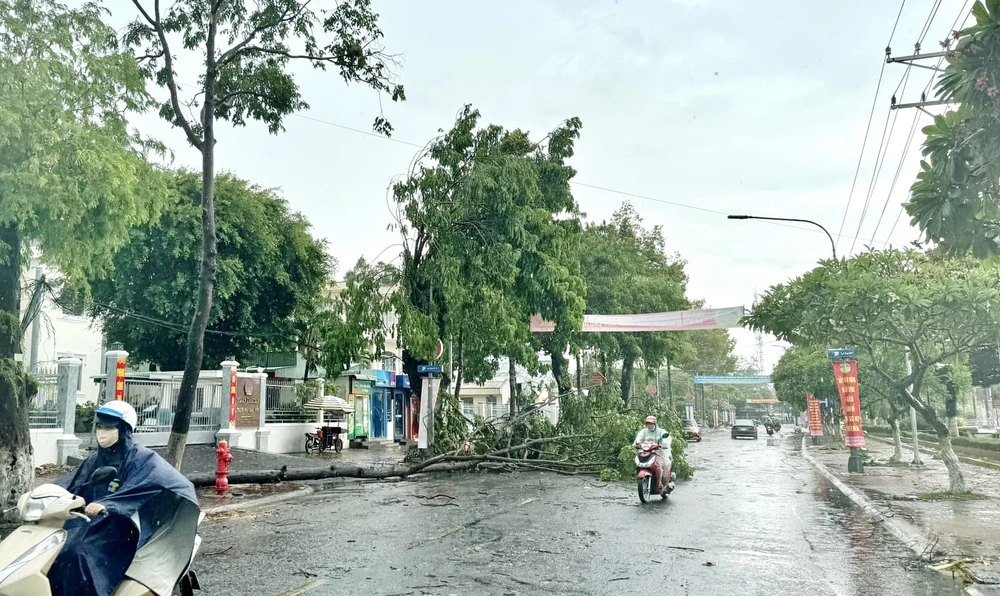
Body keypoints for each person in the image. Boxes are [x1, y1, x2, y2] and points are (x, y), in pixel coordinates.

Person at [49, 401, 199, 596]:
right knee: (58, 548)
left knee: (80, 554)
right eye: (100, 426)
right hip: (93, 522)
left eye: (109, 427)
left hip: (127, 524)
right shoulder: (97, 458)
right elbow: (73, 482)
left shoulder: (142, 458)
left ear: (124, 430)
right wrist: (46, 495)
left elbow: (144, 485)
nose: (102, 432)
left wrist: (108, 504)